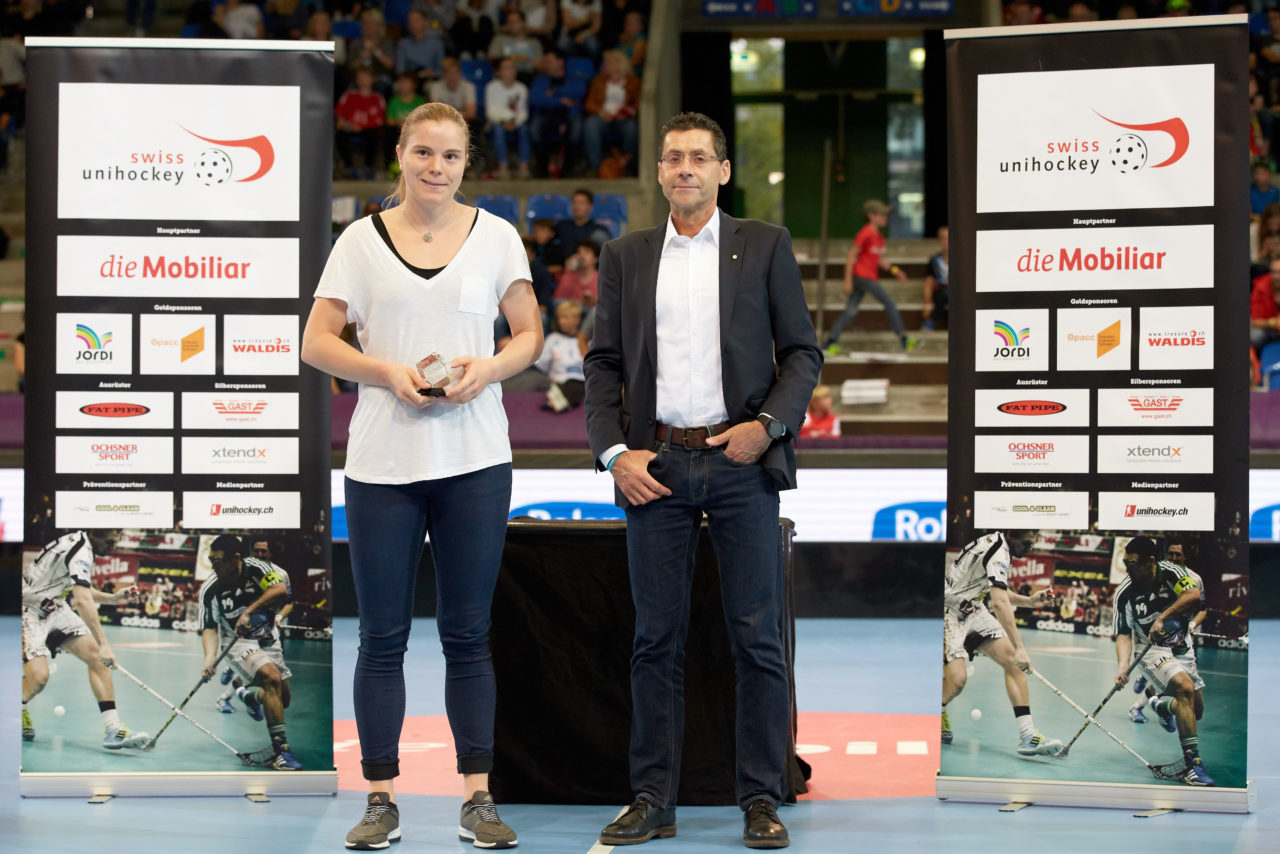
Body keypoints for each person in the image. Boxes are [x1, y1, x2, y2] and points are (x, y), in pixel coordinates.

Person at [302, 102, 541, 851]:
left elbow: (531, 334)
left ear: (468, 164)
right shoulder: (357, 243)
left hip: (474, 463)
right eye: (424, 152)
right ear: (399, 153)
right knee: (382, 637)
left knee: (469, 635)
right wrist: (384, 373)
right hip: (383, 467)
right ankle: (380, 797)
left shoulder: (498, 237)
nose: (436, 167)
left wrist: (490, 368)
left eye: (451, 156)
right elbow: (315, 341)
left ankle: (477, 797)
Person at [584, 111, 823, 850]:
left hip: (740, 462)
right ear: (658, 173)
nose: (684, 168)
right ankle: (653, 798)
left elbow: (803, 354)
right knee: (656, 641)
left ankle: (761, 796)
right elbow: (603, 367)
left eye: (698, 157)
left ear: (723, 170)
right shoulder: (625, 255)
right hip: (653, 466)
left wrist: (769, 428)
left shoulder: (766, 245)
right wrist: (613, 454)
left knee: (755, 641)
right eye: (672, 158)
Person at [21, 529, 148, 750]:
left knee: (96, 658)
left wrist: (112, 597)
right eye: (111, 539)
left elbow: (79, 589)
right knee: (39, 678)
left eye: (117, 537)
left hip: (55, 608)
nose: (114, 544)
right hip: (28, 610)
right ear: (96, 532)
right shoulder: (80, 549)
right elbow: (81, 601)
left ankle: (113, 729)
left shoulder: (82, 544)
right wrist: (105, 644)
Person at [941, 530, 1062, 757]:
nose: (1032, 544)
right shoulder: (998, 550)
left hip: (974, 611)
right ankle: (937, 710)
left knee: (1012, 662)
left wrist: (1028, 601)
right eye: (1029, 539)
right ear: (1012, 532)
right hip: (949, 613)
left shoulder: (1000, 544)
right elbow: (998, 603)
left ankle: (1027, 735)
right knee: (957, 681)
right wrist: (1021, 648)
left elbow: (997, 591)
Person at [1112, 535, 1214, 786]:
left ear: (1150, 561)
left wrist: (1163, 617)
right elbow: (1123, 633)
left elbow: (1193, 597)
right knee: (1185, 688)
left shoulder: (1172, 572)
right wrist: (1123, 666)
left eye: (1132, 564)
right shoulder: (1124, 592)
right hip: (1151, 651)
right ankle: (1193, 766)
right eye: (1125, 563)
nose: (1127, 569)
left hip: (1181, 646)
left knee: (1195, 711)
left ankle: (1159, 705)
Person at [199, 534, 301, 771]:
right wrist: (209, 660)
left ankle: (247, 696)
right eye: (211, 561)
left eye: (217, 561)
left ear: (236, 558)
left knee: (282, 700)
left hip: (267, 638)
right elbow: (209, 627)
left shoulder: (258, 568)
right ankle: (281, 752)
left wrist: (249, 611)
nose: (213, 566)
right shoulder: (210, 588)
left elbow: (279, 591)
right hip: (238, 643)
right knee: (271, 677)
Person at [1128, 540, 1208, 727]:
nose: (1174, 557)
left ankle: (1154, 701)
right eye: (1170, 554)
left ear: (1185, 556)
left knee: (1196, 711)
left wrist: (1192, 624)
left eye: (1178, 554)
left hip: (1181, 640)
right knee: (1171, 679)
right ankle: (1139, 702)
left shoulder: (1195, 578)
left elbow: (1203, 608)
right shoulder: (1155, 577)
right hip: (1157, 641)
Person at [822, 199, 915, 355]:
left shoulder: (878, 237)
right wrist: (847, 280)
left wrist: (895, 271)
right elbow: (851, 255)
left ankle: (829, 342)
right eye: (882, 214)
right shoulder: (865, 233)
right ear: (871, 216)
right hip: (863, 276)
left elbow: (878, 259)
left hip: (866, 276)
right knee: (889, 303)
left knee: (850, 311)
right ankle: (903, 338)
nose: (885, 217)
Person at [214, 538, 294, 714]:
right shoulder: (243, 571)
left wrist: (279, 616)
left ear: (270, 553)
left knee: (282, 697)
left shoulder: (281, 573)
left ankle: (246, 695)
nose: (259, 554)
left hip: (267, 633)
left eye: (263, 551)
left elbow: (289, 602)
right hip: (244, 634)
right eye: (256, 551)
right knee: (254, 665)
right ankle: (225, 697)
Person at [583, 49, 639, 177]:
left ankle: (627, 165)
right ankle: (595, 167)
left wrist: (627, 111)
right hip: (603, 117)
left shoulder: (633, 81)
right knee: (590, 124)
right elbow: (589, 104)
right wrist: (602, 112)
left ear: (619, 64)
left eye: (609, 62)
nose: (605, 65)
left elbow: (637, 103)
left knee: (632, 127)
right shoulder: (598, 81)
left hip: (624, 118)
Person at [529, 49, 586, 177]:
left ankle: (569, 169)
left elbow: (579, 91)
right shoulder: (541, 79)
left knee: (577, 128)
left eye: (549, 62)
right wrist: (561, 100)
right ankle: (542, 169)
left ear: (560, 62)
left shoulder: (574, 77)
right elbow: (535, 98)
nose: (546, 65)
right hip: (545, 116)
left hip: (569, 115)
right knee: (534, 128)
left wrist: (554, 92)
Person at [335, 65, 388, 179]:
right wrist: (349, 126)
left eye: (366, 76)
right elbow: (340, 118)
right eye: (360, 77)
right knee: (340, 135)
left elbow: (380, 121)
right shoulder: (349, 95)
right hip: (350, 129)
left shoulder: (377, 98)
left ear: (372, 79)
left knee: (374, 135)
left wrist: (362, 126)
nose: (363, 79)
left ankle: (369, 167)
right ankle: (349, 168)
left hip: (368, 130)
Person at [535, 299, 587, 412]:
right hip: (558, 381)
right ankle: (562, 399)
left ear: (577, 319)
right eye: (559, 318)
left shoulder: (588, 341)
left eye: (565, 317)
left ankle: (559, 400)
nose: (561, 321)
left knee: (576, 384)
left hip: (581, 381)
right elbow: (542, 366)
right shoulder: (553, 338)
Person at [484, 57, 532, 180]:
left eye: (512, 68)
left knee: (524, 128)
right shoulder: (491, 87)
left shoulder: (522, 88)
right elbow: (491, 112)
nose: (510, 71)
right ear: (499, 72)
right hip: (497, 122)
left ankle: (523, 166)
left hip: (516, 122)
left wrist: (515, 122)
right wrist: (503, 121)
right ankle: (503, 167)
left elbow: (523, 112)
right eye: (506, 68)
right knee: (498, 129)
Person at [488, 8, 543, 84]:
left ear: (523, 23)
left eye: (515, 21)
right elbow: (493, 59)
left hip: (528, 76)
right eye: (509, 22)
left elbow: (540, 65)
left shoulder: (534, 43)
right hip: (505, 77)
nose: (511, 24)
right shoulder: (499, 39)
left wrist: (526, 60)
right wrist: (514, 58)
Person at [396, 8, 445, 87]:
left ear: (425, 22)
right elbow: (400, 70)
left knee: (433, 87)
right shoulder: (403, 44)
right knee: (399, 86)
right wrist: (411, 77)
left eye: (415, 20)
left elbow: (442, 70)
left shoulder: (437, 43)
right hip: (409, 80)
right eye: (410, 21)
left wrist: (432, 73)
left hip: (430, 80)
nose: (412, 24)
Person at [1251, 255, 1280, 355]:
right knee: (1254, 336)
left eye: (1279, 272)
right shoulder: (1260, 287)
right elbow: (1254, 321)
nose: (1276, 276)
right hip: (1269, 332)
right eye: (1273, 272)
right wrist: (1274, 322)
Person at [922, 225, 948, 331]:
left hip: (958, 293)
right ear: (939, 241)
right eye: (944, 238)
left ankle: (931, 319)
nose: (947, 241)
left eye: (949, 238)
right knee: (944, 293)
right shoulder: (935, 260)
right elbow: (928, 282)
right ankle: (930, 320)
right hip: (941, 293)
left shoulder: (962, 259)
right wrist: (927, 304)